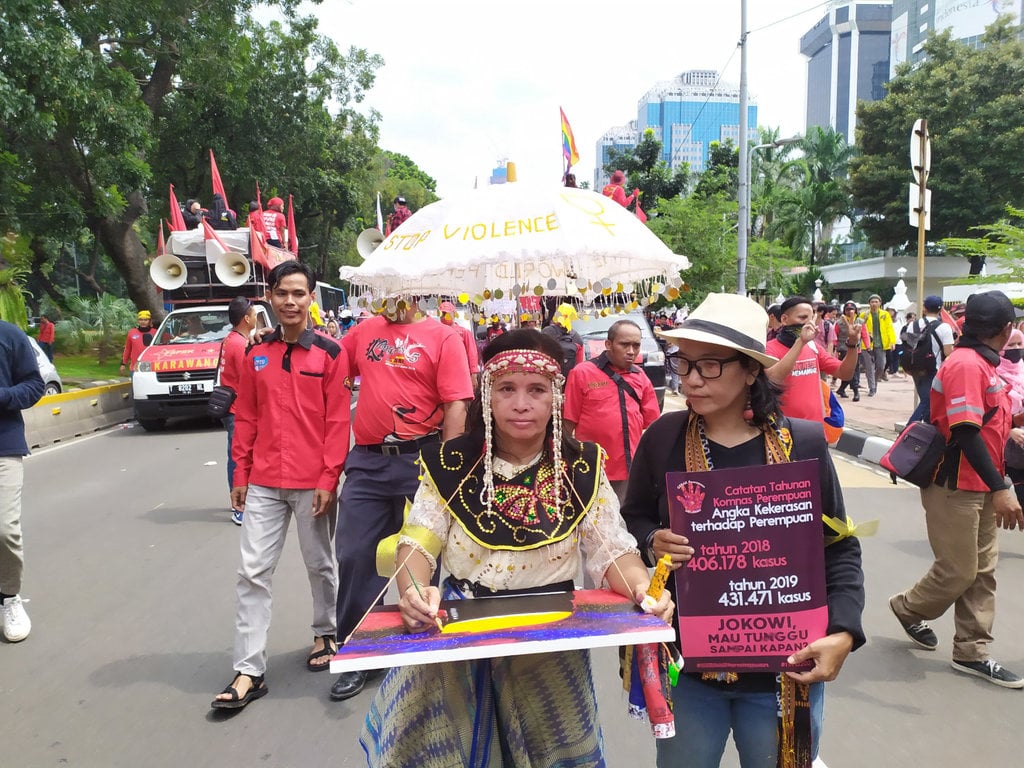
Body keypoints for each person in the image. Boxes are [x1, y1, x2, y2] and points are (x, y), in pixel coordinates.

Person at [359, 329, 673, 765]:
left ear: (556, 398)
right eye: (506, 388)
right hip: (459, 638)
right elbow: (420, 540)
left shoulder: (583, 466)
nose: (521, 404)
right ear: (486, 396)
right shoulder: (450, 463)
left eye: (537, 390)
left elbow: (611, 553)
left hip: (551, 643)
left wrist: (643, 589)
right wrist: (414, 589)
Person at [621, 292, 865, 767]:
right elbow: (631, 521)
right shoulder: (664, 438)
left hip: (786, 674)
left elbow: (838, 546)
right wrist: (653, 540)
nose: (691, 379)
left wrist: (844, 631)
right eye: (683, 364)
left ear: (751, 369)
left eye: (709, 366)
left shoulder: (803, 443)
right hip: (688, 670)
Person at [211, 260, 351, 710]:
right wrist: (240, 472)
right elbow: (247, 416)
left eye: (299, 293)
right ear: (269, 297)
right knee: (252, 572)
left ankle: (325, 633)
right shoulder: (256, 355)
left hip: (314, 483)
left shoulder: (330, 353)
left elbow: (336, 422)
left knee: (320, 564)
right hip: (266, 482)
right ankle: (249, 670)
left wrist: (330, 477)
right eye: (282, 293)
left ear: (311, 298)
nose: (290, 301)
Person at [331, 296, 474, 702]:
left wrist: (447, 467)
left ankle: (429, 642)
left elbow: (456, 404)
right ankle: (358, 650)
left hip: (422, 459)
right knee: (355, 554)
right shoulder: (362, 333)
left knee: (428, 556)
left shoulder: (444, 338)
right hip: (367, 462)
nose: (393, 297)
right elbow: (330, 366)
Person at [889, 291, 1024, 689]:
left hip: (981, 481)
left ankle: (972, 651)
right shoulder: (966, 364)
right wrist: (1002, 487)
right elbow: (965, 430)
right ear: (1006, 329)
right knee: (960, 570)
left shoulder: (984, 363)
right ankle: (907, 607)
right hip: (955, 484)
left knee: (983, 570)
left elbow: (988, 421)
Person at [565, 319, 660, 504]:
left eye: (636, 345)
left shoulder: (640, 377)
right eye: (624, 344)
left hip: (631, 470)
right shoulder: (582, 373)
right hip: (593, 470)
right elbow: (568, 423)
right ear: (608, 344)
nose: (631, 351)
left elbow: (654, 424)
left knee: (626, 523)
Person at [0, 320, 45, 642]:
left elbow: (34, 385)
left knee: (4, 529)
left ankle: (9, 597)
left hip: (4, 446)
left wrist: (2, 396)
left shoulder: (9, 335)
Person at [766, 296, 860, 424]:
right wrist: (801, 342)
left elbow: (844, 373)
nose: (808, 324)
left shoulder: (814, 348)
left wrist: (853, 344)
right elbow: (773, 379)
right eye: (803, 318)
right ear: (784, 319)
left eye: (811, 319)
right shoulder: (769, 349)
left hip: (815, 429)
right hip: (783, 431)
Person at [218, 297, 257, 526]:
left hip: (232, 407)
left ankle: (240, 498)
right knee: (238, 457)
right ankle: (239, 505)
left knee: (235, 455)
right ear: (246, 318)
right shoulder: (239, 345)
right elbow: (250, 378)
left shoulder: (229, 340)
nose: (255, 318)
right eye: (253, 314)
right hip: (237, 409)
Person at [905, 296, 954, 424]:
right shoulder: (944, 327)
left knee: (928, 401)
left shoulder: (912, 325)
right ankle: (908, 430)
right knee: (929, 401)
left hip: (915, 368)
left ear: (924, 308)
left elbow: (909, 348)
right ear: (941, 309)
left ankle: (928, 431)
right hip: (934, 370)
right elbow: (948, 352)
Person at [998, 329, 1024, 508]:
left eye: (1019, 344)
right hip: (1006, 443)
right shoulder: (993, 373)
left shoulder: (1022, 369)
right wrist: (1009, 430)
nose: (1016, 349)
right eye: (1010, 345)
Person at [858, 294, 896, 394]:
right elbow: (859, 327)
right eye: (872, 302)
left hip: (881, 344)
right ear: (869, 303)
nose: (874, 304)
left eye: (876, 301)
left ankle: (874, 381)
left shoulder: (885, 314)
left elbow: (889, 328)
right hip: (867, 345)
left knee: (881, 366)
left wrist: (892, 341)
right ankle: (872, 387)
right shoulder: (864, 314)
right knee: (869, 366)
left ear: (880, 303)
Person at [834, 302, 869, 401]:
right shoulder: (839, 322)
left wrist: (868, 346)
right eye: (847, 310)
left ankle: (847, 390)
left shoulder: (860, 322)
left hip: (856, 350)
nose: (850, 312)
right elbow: (835, 336)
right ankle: (851, 390)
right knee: (847, 371)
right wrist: (835, 349)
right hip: (843, 349)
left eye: (852, 309)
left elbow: (864, 334)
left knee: (855, 372)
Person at [439, 301, 480, 385]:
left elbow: (472, 354)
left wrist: (473, 375)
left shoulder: (464, 332)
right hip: (442, 374)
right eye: (442, 314)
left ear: (453, 314)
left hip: (461, 374)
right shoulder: (437, 333)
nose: (444, 317)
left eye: (447, 313)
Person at [541, 302, 583, 377]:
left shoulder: (547, 331)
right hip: (568, 379)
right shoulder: (577, 337)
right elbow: (579, 365)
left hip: (549, 376)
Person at [120, 310, 156, 376]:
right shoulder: (131, 333)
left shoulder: (155, 333)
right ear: (138, 321)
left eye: (145, 320)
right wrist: (123, 364)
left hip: (151, 368)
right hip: (135, 368)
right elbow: (127, 349)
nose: (143, 322)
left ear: (150, 321)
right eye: (141, 320)